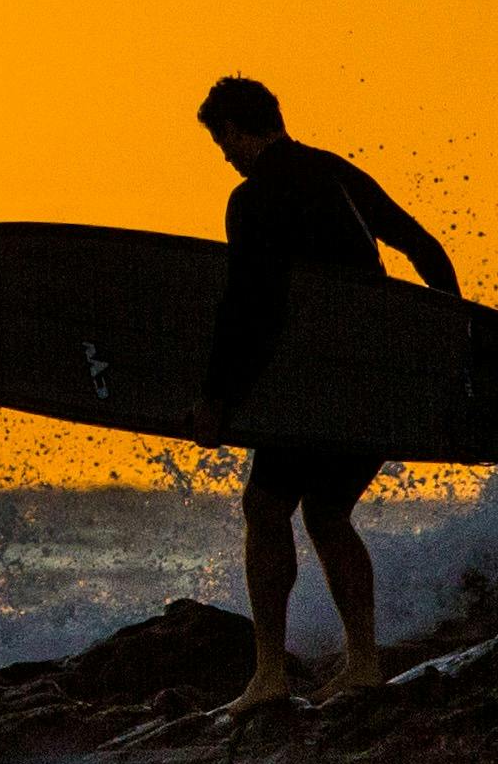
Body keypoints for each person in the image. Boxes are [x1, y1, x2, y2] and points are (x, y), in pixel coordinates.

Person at [180, 75, 462, 709]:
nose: (225, 158)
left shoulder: (254, 198)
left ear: (235, 132)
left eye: (222, 144)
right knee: (327, 512)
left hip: (315, 385)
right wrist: (450, 334)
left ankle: (269, 676)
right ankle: (363, 664)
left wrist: (216, 397)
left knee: (265, 508)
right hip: (378, 378)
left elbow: (249, 305)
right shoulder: (336, 171)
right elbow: (423, 247)